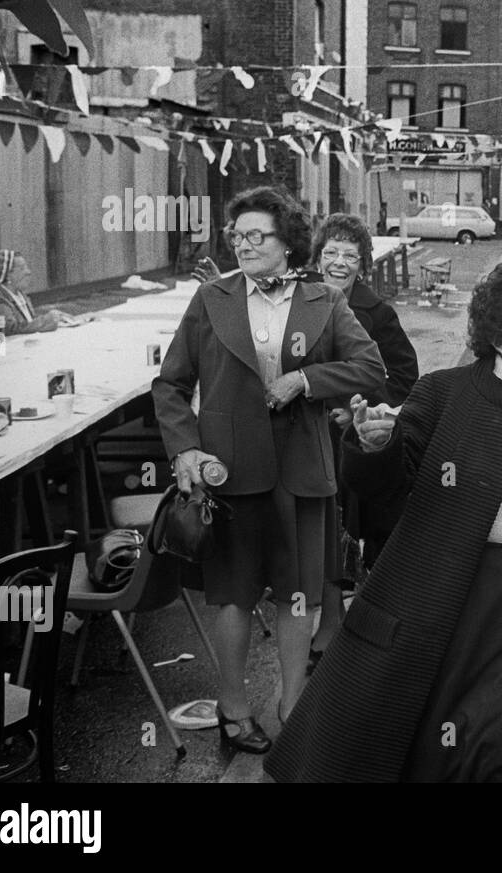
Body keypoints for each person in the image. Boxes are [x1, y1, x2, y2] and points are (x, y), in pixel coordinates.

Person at [266, 261, 502, 782]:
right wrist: (372, 445)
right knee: (450, 741)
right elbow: (383, 487)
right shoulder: (446, 394)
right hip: (459, 599)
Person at [152, 185, 387, 755]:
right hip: (227, 476)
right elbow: (171, 386)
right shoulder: (212, 299)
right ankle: (233, 709)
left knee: (297, 597)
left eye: (258, 235)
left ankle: (292, 709)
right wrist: (185, 451)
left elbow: (370, 366)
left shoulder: (323, 300)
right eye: (238, 235)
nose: (245, 244)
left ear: (288, 244)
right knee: (232, 597)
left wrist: (306, 380)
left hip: (302, 474)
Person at [306, 213, 419, 668]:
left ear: (363, 264)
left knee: (350, 531)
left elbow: (405, 379)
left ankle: (352, 630)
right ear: (317, 259)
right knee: (314, 529)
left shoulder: (378, 313)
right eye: (330, 253)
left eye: (349, 255)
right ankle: (326, 621)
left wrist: (358, 409)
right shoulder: (302, 302)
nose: (338, 262)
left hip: (352, 444)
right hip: (305, 436)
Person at [0, 250, 80, 334]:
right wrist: (47, 320)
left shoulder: (20, 295)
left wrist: (54, 317)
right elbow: (6, 331)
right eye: (22, 268)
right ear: (7, 275)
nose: (28, 272)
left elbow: (28, 323)